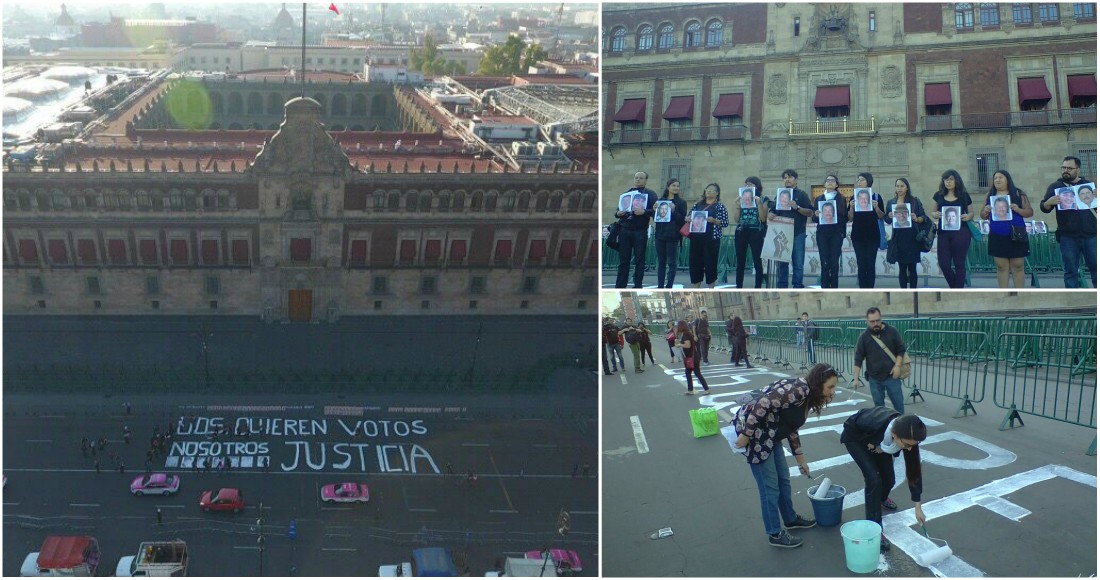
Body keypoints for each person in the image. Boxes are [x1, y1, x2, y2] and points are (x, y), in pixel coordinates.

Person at [730, 364, 838, 548]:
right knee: (769, 488)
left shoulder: (807, 394)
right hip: (757, 437)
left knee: (783, 481)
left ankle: (790, 519)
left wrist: (800, 460)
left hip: (772, 436)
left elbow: (791, 426)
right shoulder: (799, 390)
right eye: (830, 387)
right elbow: (762, 403)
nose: (832, 392)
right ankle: (774, 533)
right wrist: (746, 435)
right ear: (819, 383)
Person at [841, 410, 928, 552]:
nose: (910, 448)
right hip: (856, 439)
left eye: (913, 445)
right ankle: (874, 529)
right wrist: (870, 444)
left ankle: (881, 499)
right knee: (874, 480)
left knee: (889, 479)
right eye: (906, 445)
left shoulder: (908, 435)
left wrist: (918, 507)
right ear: (894, 434)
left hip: (881, 443)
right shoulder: (872, 422)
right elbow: (848, 426)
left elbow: (914, 471)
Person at [1041, 156, 1095, 288]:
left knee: (1096, 270)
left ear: (1078, 170)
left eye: (1069, 168)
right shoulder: (1055, 186)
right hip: (1068, 237)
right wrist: (1049, 202)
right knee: (1070, 271)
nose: (1066, 170)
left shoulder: (1088, 186)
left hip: (1092, 235)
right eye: (1063, 167)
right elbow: (1044, 208)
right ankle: (1072, 297)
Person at [980, 169, 1033, 288]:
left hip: (1016, 234)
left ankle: (1019, 294)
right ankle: (1003, 293)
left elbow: (1029, 212)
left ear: (1007, 179)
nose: (997, 180)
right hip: (997, 234)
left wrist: (1018, 210)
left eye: (1000, 177)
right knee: (1001, 266)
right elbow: (983, 216)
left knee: (1018, 265)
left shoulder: (1018, 194)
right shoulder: (990, 195)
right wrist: (986, 211)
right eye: (995, 178)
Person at [852, 307, 908, 413]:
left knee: (899, 407)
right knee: (879, 409)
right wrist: (855, 378)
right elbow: (858, 358)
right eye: (872, 321)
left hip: (892, 376)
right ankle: (883, 427)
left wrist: (897, 366)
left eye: (878, 320)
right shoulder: (864, 337)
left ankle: (901, 427)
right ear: (867, 322)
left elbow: (901, 350)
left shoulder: (892, 331)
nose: (876, 323)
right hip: (874, 378)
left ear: (881, 319)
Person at [767, 170, 813, 288]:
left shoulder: (802, 194)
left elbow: (810, 212)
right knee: (782, 262)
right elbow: (774, 210)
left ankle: (797, 285)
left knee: (798, 262)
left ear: (796, 180)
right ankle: (782, 285)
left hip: (798, 233)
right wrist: (771, 214)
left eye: (790, 177)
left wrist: (797, 207)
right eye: (785, 177)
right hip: (782, 233)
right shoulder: (780, 195)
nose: (787, 179)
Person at [930, 169, 974, 288]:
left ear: (956, 181)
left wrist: (968, 216)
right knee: (944, 263)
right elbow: (933, 211)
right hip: (944, 232)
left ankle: (957, 288)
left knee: (960, 263)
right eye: (946, 180)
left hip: (961, 232)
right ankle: (955, 287)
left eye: (950, 179)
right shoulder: (938, 195)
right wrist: (935, 214)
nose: (948, 182)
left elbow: (971, 213)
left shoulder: (964, 195)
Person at [614, 171, 657, 288]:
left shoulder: (651, 194)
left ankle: (638, 285)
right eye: (636, 178)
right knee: (623, 261)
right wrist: (618, 213)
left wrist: (645, 212)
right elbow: (617, 211)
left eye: (641, 178)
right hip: (625, 229)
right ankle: (620, 285)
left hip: (640, 231)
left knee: (639, 260)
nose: (638, 180)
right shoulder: (627, 193)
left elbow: (656, 212)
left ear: (646, 180)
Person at [885, 178, 927, 288]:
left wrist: (917, 218)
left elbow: (924, 217)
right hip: (898, 238)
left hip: (913, 238)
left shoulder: (915, 201)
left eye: (902, 186)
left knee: (912, 268)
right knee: (902, 268)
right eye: (897, 186)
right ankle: (903, 289)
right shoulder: (891, 202)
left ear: (907, 187)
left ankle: (913, 290)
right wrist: (889, 216)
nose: (899, 188)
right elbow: (887, 220)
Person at [688, 184, 729, 288]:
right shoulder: (697, 205)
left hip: (711, 239)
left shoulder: (720, 206)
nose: (709, 191)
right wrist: (688, 218)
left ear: (717, 193)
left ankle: (711, 288)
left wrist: (715, 221)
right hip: (696, 238)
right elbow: (690, 216)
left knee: (710, 264)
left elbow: (725, 223)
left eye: (712, 190)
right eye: (707, 189)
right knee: (695, 264)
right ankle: (696, 288)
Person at [849, 173, 887, 288]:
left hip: (873, 236)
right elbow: (850, 218)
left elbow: (881, 216)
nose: (859, 182)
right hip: (858, 236)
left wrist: (876, 207)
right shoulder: (853, 198)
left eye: (862, 180)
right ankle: (862, 287)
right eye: (858, 180)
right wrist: (851, 207)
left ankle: (870, 287)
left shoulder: (876, 197)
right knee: (861, 264)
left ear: (868, 182)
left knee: (870, 264)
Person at [733, 176, 769, 289]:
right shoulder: (743, 198)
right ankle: (739, 286)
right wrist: (738, 207)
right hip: (741, 231)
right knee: (740, 262)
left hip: (756, 232)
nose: (748, 187)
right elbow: (736, 220)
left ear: (757, 186)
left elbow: (763, 218)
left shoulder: (764, 199)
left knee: (757, 261)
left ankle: (758, 287)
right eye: (746, 184)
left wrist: (758, 204)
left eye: (750, 184)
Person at [814, 174, 848, 288]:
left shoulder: (841, 198)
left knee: (834, 263)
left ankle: (834, 286)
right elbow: (814, 219)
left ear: (836, 184)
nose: (829, 182)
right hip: (822, 233)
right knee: (824, 262)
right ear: (824, 184)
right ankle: (824, 286)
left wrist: (835, 217)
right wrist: (816, 214)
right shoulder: (819, 199)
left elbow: (845, 217)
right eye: (827, 180)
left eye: (832, 180)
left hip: (835, 234)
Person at [654, 179, 688, 288]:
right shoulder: (660, 201)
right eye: (673, 185)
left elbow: (682, 220)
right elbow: (657, 218)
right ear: (668, 187)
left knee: (671, 262)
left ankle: (669, 285)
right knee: (661, 261)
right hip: (660, 234)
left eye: (678, 186)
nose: (676, 188)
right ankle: (660, 285)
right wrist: (654, 210)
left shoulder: (681, 202)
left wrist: (674, 211)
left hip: (673, 235)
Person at [675, 320, 709, 396]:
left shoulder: (686, 334)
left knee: (696, 373)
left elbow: (688, 345)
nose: (677, 328)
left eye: (678, 326)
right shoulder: (685, 333)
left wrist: (680, 344)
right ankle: (691, 390)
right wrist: (679, 341)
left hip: (692, 357)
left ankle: (705, 389)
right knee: (689, 373)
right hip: (691, 357)